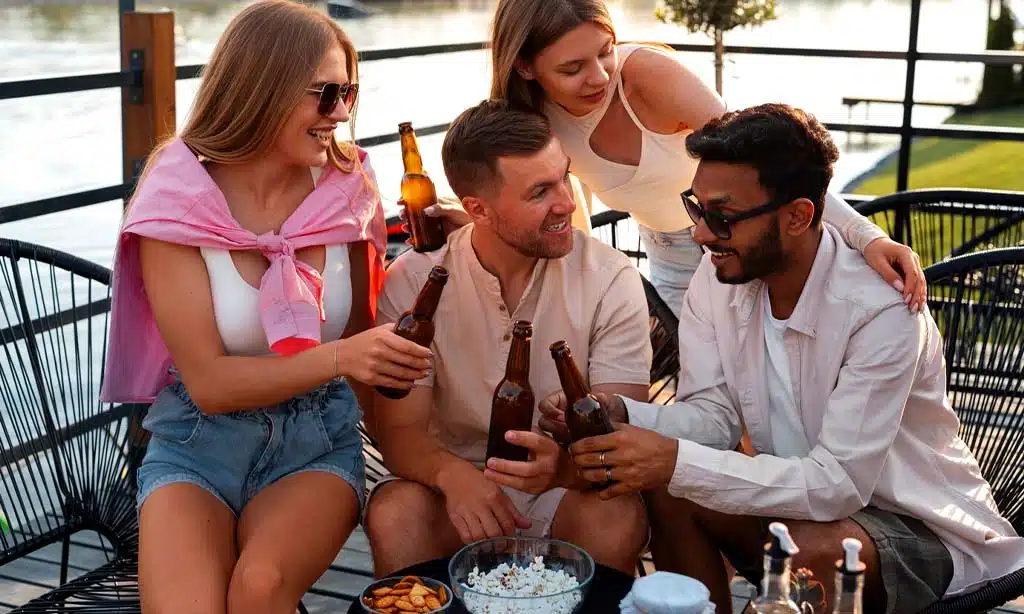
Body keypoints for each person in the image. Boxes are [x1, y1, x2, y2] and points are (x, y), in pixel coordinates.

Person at [544, 103, 1024, 614]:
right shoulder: (719, 274)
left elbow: (838, 484)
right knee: (671, 489)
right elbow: (714, 417)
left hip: (916, 525)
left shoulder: (882, 311)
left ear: (799, 216)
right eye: (696, 208)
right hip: (796, 505)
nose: (703, 235)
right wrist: (626, 415)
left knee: (805, 551)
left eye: (723, 218)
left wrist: (676, 458)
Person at [100, 2, 432, 613]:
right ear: (262, 89)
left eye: (350, 92)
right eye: (325, 94)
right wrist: (340, 357)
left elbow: (370, 352)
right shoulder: (177, 199)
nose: (342, 112)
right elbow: (209, 385)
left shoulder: (349, 185)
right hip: (197, 442)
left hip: (315, 441)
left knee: (259, 588)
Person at [417, 0, 927, 318]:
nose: (597, 77)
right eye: (572, 67)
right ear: (525, 66)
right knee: (710, 398)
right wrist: (473, 221)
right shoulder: (533, 122)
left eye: (605, 52)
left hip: (750, 237)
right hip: (671, 256)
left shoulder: (648, 77)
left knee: (777, 396)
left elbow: (769, 162)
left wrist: (867, 236)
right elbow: (560, 216)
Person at [364, 99, 651, 578]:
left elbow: (620, 434)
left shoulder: (609, 276)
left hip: (566, 486)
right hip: (453, 483)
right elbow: (400, 433)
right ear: (477, 208)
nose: (566, 203)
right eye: (540, 192)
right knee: (395, 513)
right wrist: (452, 476)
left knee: (615, 516)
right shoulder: (415, 281)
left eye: (564, 177)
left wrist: (560, 468)